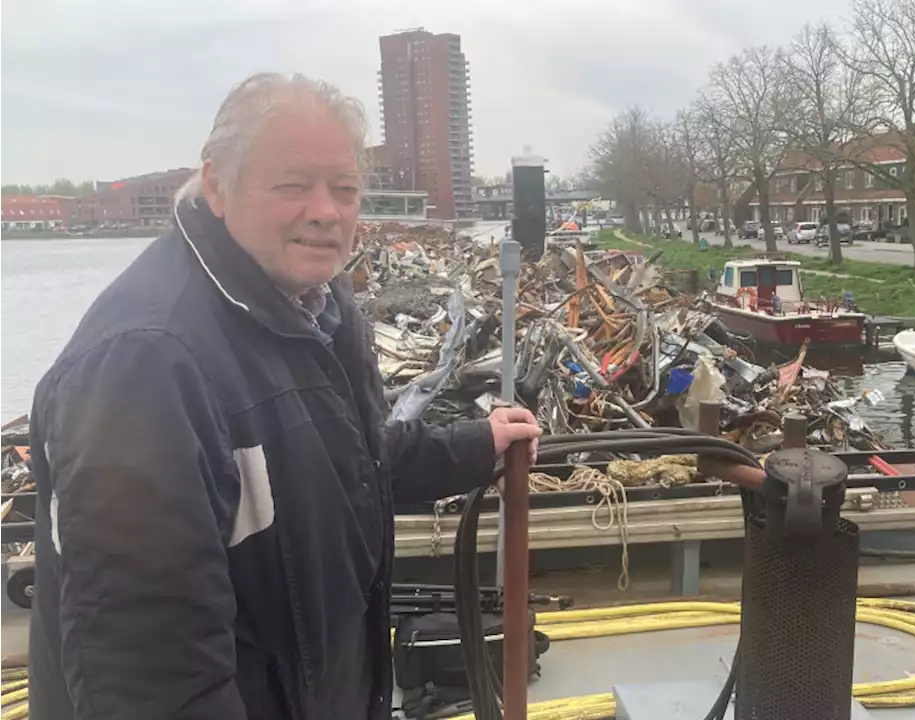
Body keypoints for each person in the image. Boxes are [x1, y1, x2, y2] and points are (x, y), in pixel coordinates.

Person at [26, 73, 542, 720]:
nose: (327, 210)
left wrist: (476, 446)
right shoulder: (146, 364)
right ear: (217, 184)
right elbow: (150, 674)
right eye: (294, 185)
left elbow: (351, 465)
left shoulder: (316, 309)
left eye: (346, 190)